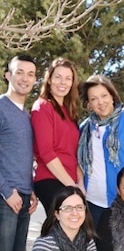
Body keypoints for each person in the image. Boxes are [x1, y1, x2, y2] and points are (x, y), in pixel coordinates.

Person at [77, 75, 124, 226]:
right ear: (89, 104)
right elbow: (77, 161)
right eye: (94, 99)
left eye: (104, 95)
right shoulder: (85, 128)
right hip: (92, 204)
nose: (100, 102)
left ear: (112, 96)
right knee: (98, 249)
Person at [0, 55, 39, 251]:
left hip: (24, 195)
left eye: (30, 74)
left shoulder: (26, 115)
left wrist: (31, 189)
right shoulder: (1, 107)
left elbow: (24, 158)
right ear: (7, 75)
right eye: (19, 72)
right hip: (5, 196)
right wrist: (6, 190)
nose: (25, 78)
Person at [31, 58, 84, 214]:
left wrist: (79, 183)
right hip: (50, 180)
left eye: (68, 78)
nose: (63, 82)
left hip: (70, 182)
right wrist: (71, 186)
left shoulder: (69, 112)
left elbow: (74, 154)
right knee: (61, 231)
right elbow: (46, 153)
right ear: (49, 80)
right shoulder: (42, 107)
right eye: (58, 77)